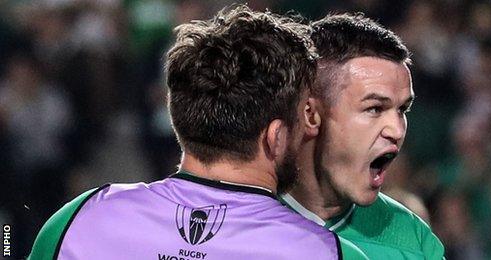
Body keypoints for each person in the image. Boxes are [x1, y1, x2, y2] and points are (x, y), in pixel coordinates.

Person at [28, 6, 365, 260]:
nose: (312, 128)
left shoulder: (78, 218)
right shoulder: (328, 253)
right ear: (275, 137)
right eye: (305, 116)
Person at [281, 13, 491, 260]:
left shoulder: (412, 237)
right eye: (374, 109)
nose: (396, 129)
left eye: (402, 110)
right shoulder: (236, 220)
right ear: (312, 115)